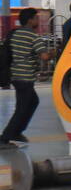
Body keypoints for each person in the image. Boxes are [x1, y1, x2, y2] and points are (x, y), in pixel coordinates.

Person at [0, 8, 52, 147]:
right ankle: (5, 137)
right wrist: (53, 52)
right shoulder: (33, 36)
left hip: (16, 75)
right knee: (22, 108)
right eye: (36, 18)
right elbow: (45, 56)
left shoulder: (15, 34)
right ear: (30, 20)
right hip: (25, 77)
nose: (38, 20)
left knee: (33, 101)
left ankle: (17, 132)